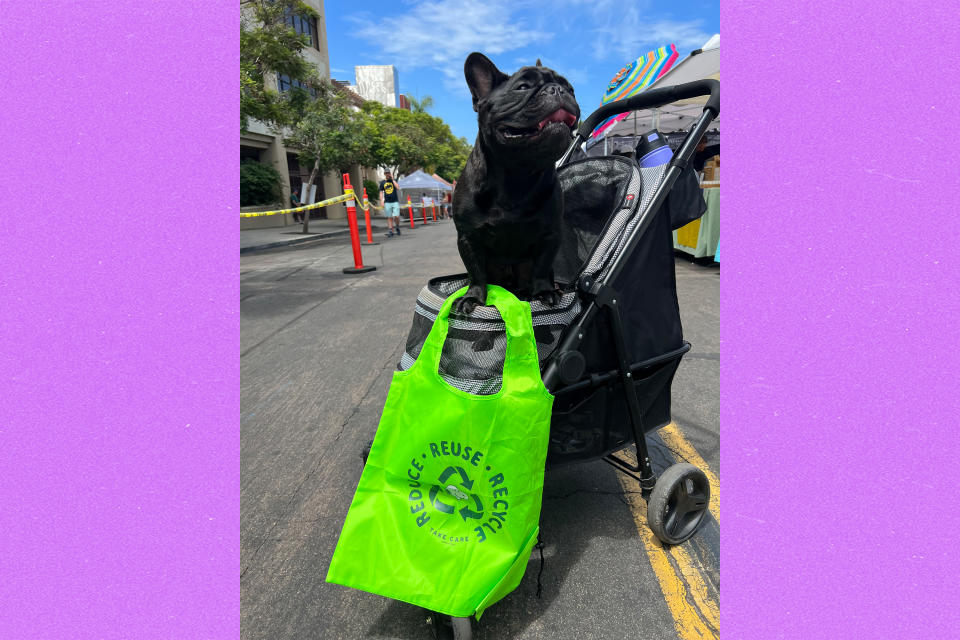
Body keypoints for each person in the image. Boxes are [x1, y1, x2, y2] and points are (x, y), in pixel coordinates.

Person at [379, 171, 401, 237]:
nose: (387, 174)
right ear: (384, 174)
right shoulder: (382, 182)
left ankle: (397, 226)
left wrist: (393, 180)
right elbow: (381, 192)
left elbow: (398, 187)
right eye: (386, 173)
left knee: (396, 216)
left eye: (388, 173)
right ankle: (390, 230)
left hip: (395, 201)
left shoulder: (393, 181)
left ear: (390, 174)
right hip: (387, 202)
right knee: (389, 217)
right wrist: (381, 201)